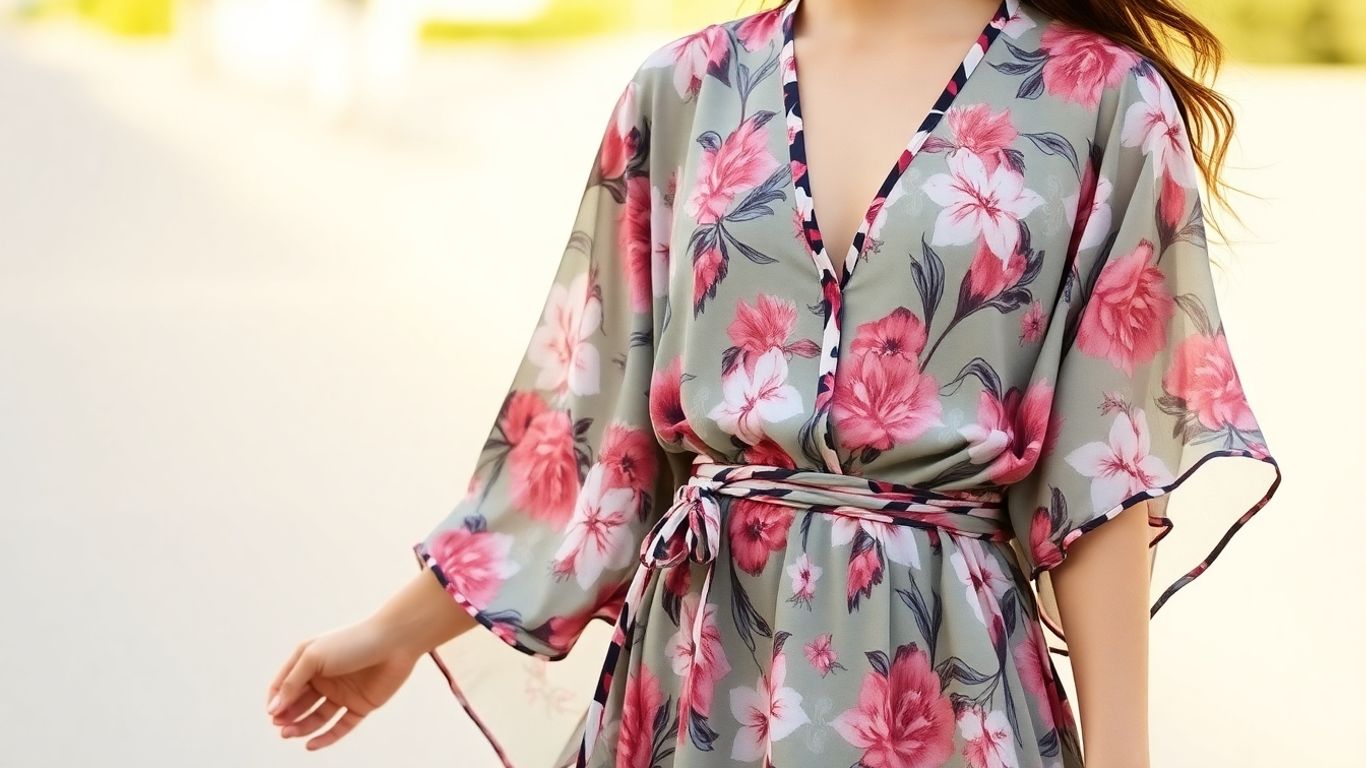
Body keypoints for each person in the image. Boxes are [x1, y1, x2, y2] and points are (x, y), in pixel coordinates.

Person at [265, 0, 1284, 765]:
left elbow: (1100, 481)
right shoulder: (685, 86)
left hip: (941, 693)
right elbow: (584, 433)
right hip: (695, 675)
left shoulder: (1101, 102)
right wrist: (394, 632)